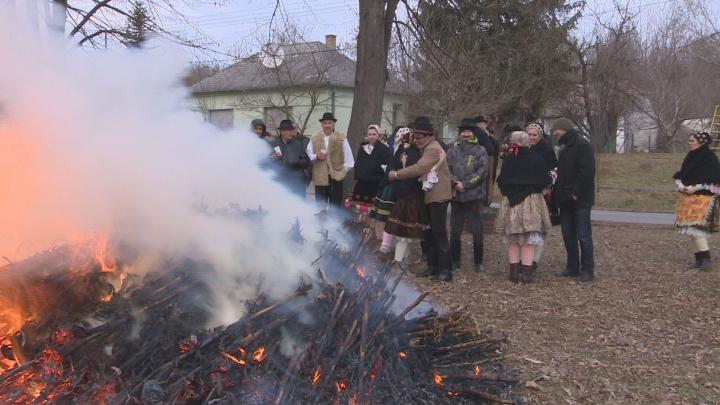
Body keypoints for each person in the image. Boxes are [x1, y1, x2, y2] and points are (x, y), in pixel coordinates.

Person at [389, 117, 453, 282]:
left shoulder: (432, 148)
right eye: (415, 137)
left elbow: (420, 168)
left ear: (428, 136)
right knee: (429, 233)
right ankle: (433, 267)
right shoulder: (426, 147)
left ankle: (445, 271)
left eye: (419, 138)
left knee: (439, 233)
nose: (416, 140)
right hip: (430, 197)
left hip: (438, 197)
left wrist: (396, 174)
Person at [496, 131, 552, 283]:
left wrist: (509, 192)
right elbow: (545, 180)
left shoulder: (509, 159)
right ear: (527, 143)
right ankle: (527, 274)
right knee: (528, 237)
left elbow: (501, 181)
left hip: (511, 203)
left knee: (513, 238)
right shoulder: (535, 158)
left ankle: (513, 273)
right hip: (531, 202)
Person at [551, 118, 596, 283]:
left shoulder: (583, 146)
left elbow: (587, 172)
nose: (555, 133)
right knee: (568, 235)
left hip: (580, 201)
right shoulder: (563, 148)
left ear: (565, 129)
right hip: (565, 200)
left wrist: (576, 193)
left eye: (557, 130)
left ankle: (587, 270)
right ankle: (572, 267)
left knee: (584, 236)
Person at [673, 131, 720, 271]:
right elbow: (683, 174)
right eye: (690, 141)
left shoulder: (710, 158)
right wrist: (681, 185)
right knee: (691, 230)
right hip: (689, 199)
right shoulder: (691, 156)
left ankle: (706, 261)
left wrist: (696, 187)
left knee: (697, 229)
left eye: (692, 141)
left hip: (704, 199)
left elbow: (714, 179)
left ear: (701, 142)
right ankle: (700, 259)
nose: (690, 143)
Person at [447, 118, 489, 273]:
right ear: (459, 134)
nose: (466, 134)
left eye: (468, 132)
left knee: (477, 230)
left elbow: (482, 171)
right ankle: (455, 261)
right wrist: (455, 183)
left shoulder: (481, 150)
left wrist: (466, 184)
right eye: (463, 132)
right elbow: (446, 169)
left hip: (474, 196)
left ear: (473, 134)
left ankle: (478, 262)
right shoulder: (452, 150)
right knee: (455, 230)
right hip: (456, 196)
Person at [384, 127, 425, 269]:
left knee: (405, 232)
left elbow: (413, 174)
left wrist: (400, 172)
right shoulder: (400, 152)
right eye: (402, 138)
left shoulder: (415, 154)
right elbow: (391, 170)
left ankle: (399, 261)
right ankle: (402, 260)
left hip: (411, 195)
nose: (403, 140)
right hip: (401, 195)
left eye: (406, 137)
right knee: (400, 230)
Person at [371, 127, 412, 253]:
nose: (402, 140)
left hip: (398, 188)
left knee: (392, 218)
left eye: (405, 137)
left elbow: (406, 170)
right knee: (381, 216)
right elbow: (391, 166)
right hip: (388, 185)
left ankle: (390, 246)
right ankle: (381, 241)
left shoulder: (408, 151)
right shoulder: (396, 149)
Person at [526, 122, 559, 269]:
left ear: (540, 136)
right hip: (525, 193)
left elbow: (551, 171)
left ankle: (534, 259)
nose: (531, 137)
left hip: (542, 193)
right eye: (529, 134)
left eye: (534, 135)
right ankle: (526, 257)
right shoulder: (523, 148)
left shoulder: (546, 150)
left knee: (539, 228)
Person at [307, 112, 355, 207]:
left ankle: (334, 222)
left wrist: (341, 172)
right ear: (322, 124)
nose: (327, 125)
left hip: (335, 177)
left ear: (333, 124)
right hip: (320, 176)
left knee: (335, 206)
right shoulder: (314, 138)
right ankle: (321, 222)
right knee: (320, 206)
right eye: (325, 123)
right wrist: (316, 156)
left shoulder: (341, 138)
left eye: (330, 123)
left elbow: (350, 160)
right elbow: (309, 154)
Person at [345, 124, 391, 218]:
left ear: (378, 135)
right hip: (362, 183)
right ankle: (360, 226)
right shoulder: (363, 148)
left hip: (376, 184)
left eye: (374, 134)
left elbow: (385, 166)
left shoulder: (384, 149)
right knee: (360, 209)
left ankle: (369, 228)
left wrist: (377, 176)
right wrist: (360, 175)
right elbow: (358, 164)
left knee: (372, 211)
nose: (371, 136)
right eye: (369, 134)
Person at [269, 119, 311, 197]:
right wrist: (272, 158)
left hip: (296, 181)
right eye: (289, 130)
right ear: (282, 132)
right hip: (280, 182)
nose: (291, 132)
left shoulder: (298, 144)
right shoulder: (273, 144)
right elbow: (265, 163)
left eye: (292, 130)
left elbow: (307, 162)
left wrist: (300, 162)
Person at [475, 115, 499, 205]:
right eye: (483, 123)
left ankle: (487, 199)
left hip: (491, 159)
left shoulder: (485, 133)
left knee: (489, 180)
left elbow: (495, 145)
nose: (485, 125)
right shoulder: (478, 132)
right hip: (485, 160)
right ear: (478, 124)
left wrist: (489, 135)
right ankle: (484, 200)